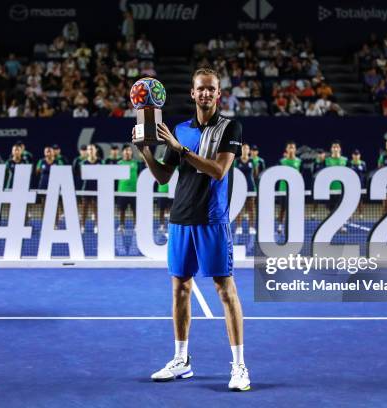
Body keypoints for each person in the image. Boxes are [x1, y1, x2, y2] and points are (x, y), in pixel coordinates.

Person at [134, 67, 250, 391]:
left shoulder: (230, 128)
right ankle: (181, 360)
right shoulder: (181, 129)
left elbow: (218, 170)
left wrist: (180, 148)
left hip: (213, 220)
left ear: (218, 93)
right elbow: (162, 177)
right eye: (201, 89)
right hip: (181, 219)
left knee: (225, 291)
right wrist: (145, 150)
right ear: (192, 92)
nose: (206, 94)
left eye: (211, 89)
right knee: (180, 288)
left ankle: (239, 367)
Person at [277, 141, 302, 234]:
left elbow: (300, 175)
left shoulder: (299, 161)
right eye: (289, 147)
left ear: (295, 150)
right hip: (283, 189)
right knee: (282, 209)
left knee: (294, 209)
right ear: (286, 149)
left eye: (293, 147)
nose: (291, 149)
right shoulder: (281, 161)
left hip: (294, 190)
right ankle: (280, 225)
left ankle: (292, 225)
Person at [116, 145, 141, 233]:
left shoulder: (136, 163)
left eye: (129, 150)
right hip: (122, 191)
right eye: (125, 150)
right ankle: (122, 225)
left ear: (131, 152)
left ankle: (136, 226)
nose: (127, 152)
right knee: (122, 211)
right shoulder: (119, 163)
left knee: (135, 210)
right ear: (122, 152)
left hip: (134, 192)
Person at [325, 140, 348, 232]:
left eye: (337, 147)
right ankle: (334, 224)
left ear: (340, 149)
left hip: (342, 188)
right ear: (331, 149)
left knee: (341, 207)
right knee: (331, 208)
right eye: (333, 147)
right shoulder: (327, 161)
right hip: (330, 189)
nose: (335, 149)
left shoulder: (345, 160)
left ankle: (341, 225)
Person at [234, 143, 257, 235]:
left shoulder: (252, 161)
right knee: (239, 209)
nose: (245, 150)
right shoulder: (236, 161)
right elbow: (234, 174)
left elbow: (255, 174)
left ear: (249, 151)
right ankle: (239, 227)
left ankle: (251, 227)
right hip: (239, 188)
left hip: (250, 187)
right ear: (241, 150)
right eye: (243, 148)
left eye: (247, 148)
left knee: (251, 208)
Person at [80, 144, 101, 234]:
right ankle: (82, 226)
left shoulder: (100, 162)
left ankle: (97, 225)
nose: (91, 151)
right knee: (84, 209)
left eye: (92, 149)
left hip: (97, 188)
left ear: (95, 150)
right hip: (86, 188)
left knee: (96, 208)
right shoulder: (83, 163)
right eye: (89, 149)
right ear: (87, 151)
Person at [349, 149, 367, 219]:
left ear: (359, 156)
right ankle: (350, 214)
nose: (356, 156)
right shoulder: (350, 163)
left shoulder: (363, 164)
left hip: (361, 185)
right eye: (354, 154)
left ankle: (360, 214)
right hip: (351, 185)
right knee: (351, 200)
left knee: (360, 201)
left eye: (357, 154)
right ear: (352, 155)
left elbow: (364, 174)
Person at [310, 148, 326, 219]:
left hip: (326, 184)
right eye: (319, 154)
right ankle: (313, 213)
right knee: (315, 199)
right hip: (317, 184)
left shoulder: (327, 162)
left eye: (321, 153)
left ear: (324, 154)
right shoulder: (315, 163)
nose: (320, 155)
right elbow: (313, 173)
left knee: (329, 202)